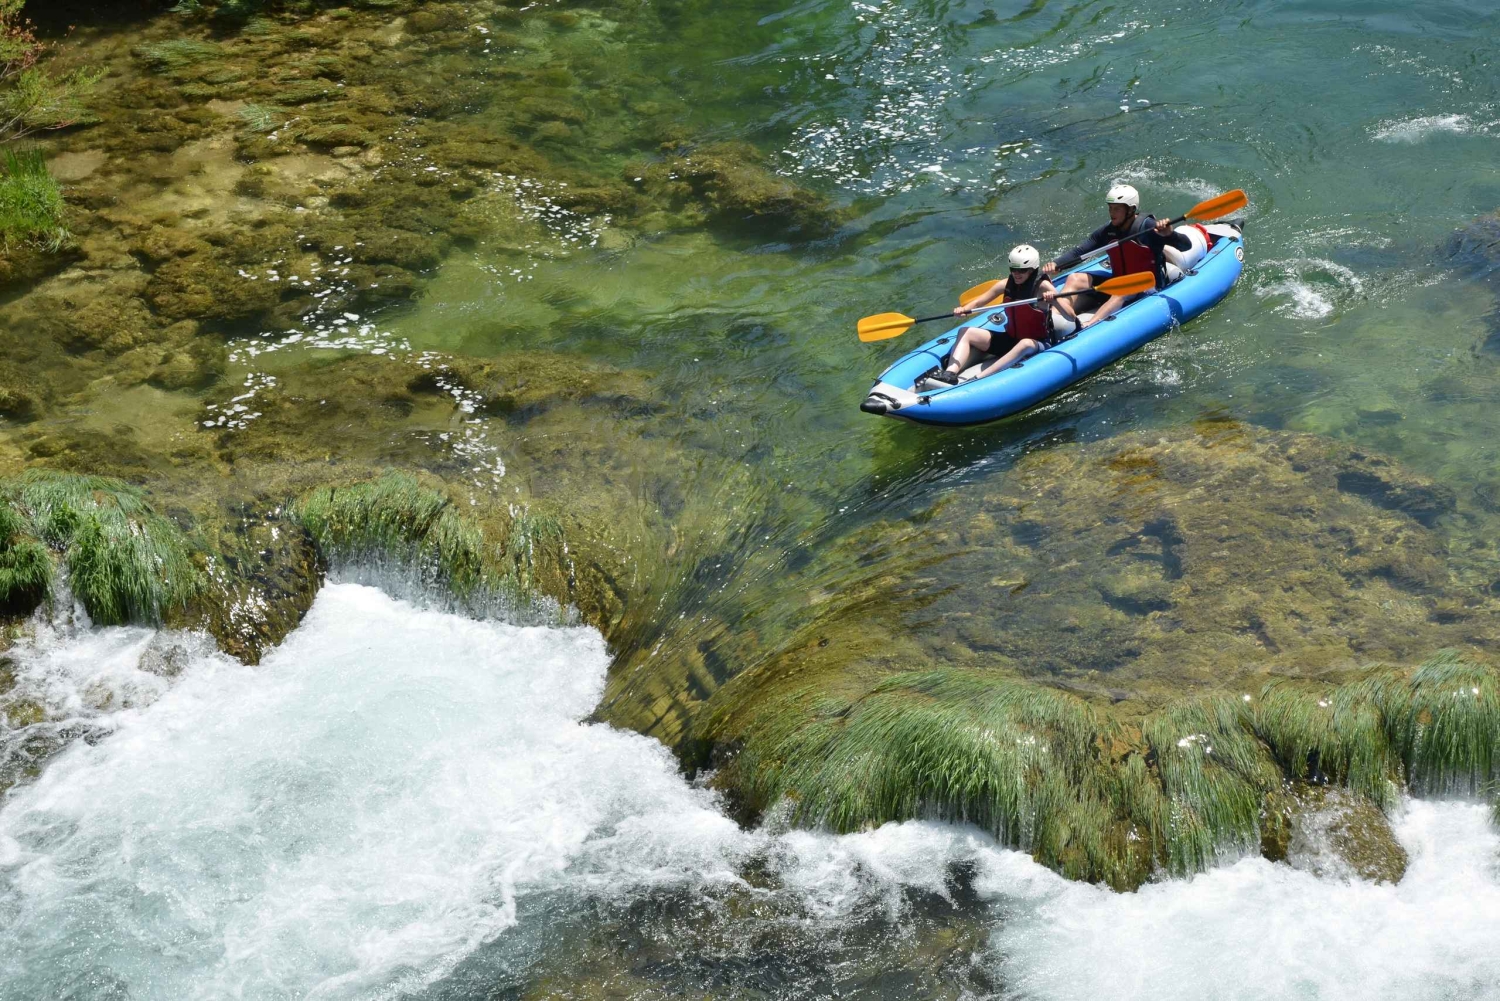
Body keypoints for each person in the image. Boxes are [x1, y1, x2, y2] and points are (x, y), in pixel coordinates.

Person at [1042, 184, 1193, 329]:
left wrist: (1169, 234)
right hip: (1117, 282)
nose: (1112, 212)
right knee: (1074, 278)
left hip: (1146, 286)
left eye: (1117, 209)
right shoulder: (1108, 231)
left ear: (1131, 210)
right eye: (1110, 208)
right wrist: (1057, 264)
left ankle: (1089, 325)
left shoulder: (1148, 227)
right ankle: (1055, 317)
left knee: (1122, 290)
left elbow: (1186, 246)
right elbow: (1079, 252)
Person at [925, 244, 1078, 385]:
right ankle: (949, 374)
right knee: (965, 331)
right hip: (1010, 339)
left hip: (1037, 343)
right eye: (1013, 269)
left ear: (1032, 269)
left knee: (1025, 343)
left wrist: (1055, 299)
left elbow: (1070, 316)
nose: (1016, 274)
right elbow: (978, 303)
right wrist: (963, 310)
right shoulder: (1006, 283)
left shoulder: (1043, 286)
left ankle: (979, 379)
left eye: (1022, 271)